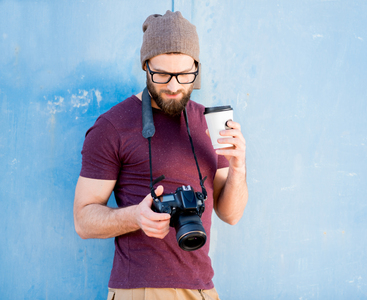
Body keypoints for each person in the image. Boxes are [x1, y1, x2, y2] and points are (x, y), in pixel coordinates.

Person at [73, 10, 248, 300]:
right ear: (145, 66)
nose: (174, 85)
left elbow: (230, 214)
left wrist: (238, 166)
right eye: (162, 74)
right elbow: (83, 220)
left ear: (196, 67)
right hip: (140, 290)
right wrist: (136, 217)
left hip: (204, 289)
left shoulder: (208, 122)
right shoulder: (112, 126)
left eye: (184, 74)